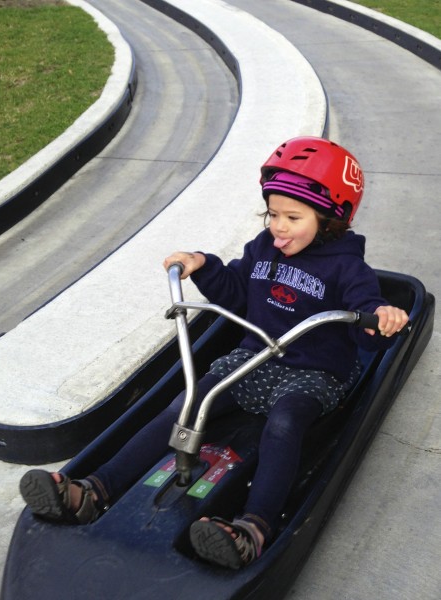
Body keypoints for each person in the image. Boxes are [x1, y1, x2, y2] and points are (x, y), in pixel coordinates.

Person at [20, 136, 408, 570]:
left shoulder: (347, 267)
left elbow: (366, 322)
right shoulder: (264, 247)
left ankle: (253, 530)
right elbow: (238, 294)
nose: (279, 226)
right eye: (273, 213)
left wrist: (381, 317)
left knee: (283, 425)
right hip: (253, 359)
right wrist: (203, 265)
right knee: (184, 407)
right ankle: (93, 491)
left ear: (331, 219)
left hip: (312, 370)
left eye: (293, 217)